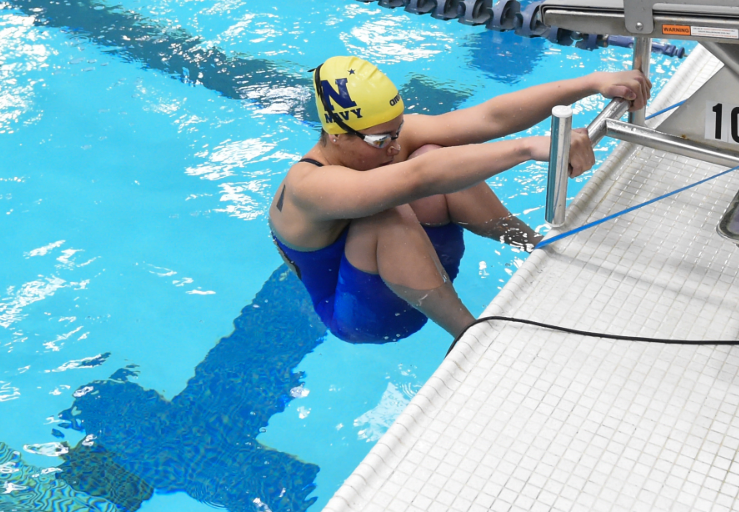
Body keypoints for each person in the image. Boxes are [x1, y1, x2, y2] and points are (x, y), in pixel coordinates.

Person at [270, 57, 651, 343]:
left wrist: (591, 82)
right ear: (336, 135)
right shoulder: (309, 187)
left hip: (421, 272)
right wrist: (530, 149)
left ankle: (536, 247)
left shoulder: (386, 140)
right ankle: (472, 338)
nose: (394, 146)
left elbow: (489, 118)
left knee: (433, 151)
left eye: (397, 131)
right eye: (381, 140)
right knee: (388, 207)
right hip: (363, 314)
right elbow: (419, 177)